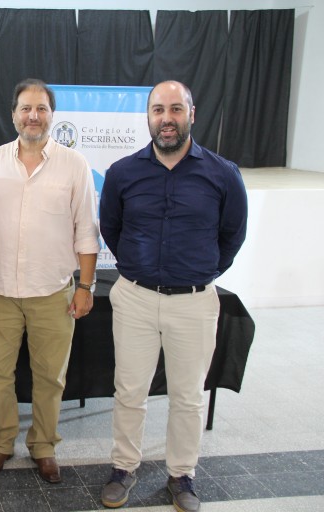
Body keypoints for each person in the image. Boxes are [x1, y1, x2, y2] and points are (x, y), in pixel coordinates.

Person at [98, 80, 248, 512]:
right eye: (159, 110)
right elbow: (112, 228)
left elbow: (232, 237)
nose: (167, 118)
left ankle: (182, 474)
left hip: (195, 302)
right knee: (130, 391)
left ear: (191, 115)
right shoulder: (123, 173)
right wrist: (142, 268)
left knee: (188, 395)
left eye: (176, 109)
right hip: (136, 298)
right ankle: (123, 468)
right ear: (148, 117)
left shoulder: (223, 174)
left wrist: (198, 272)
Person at [0, 78, 99, 484]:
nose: (33, 116)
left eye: (41, 108)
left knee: (50, 377)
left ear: (51, 115)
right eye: (26, 108)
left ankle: (43, 446)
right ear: (13, 114)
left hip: (53, 291)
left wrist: (86, 286)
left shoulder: (74, 165)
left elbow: (86, 231)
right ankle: (1, 443)